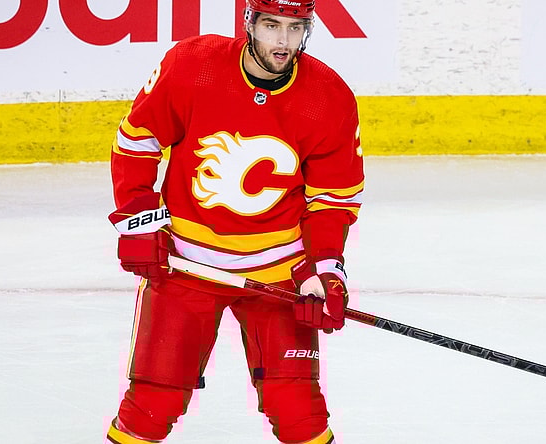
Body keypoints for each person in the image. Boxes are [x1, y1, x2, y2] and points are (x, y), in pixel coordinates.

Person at [105, 0, 364, 442]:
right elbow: (138, 140)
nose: (283, 42)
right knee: (152, 403)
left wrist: (325, 268)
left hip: (280, 274)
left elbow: (333, 199)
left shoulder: (329, 96)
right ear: (249, 23)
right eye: (270, 26)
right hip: (187, 267)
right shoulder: (192, 67)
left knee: (298, 408)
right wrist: (139, 220)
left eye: (295, 28)